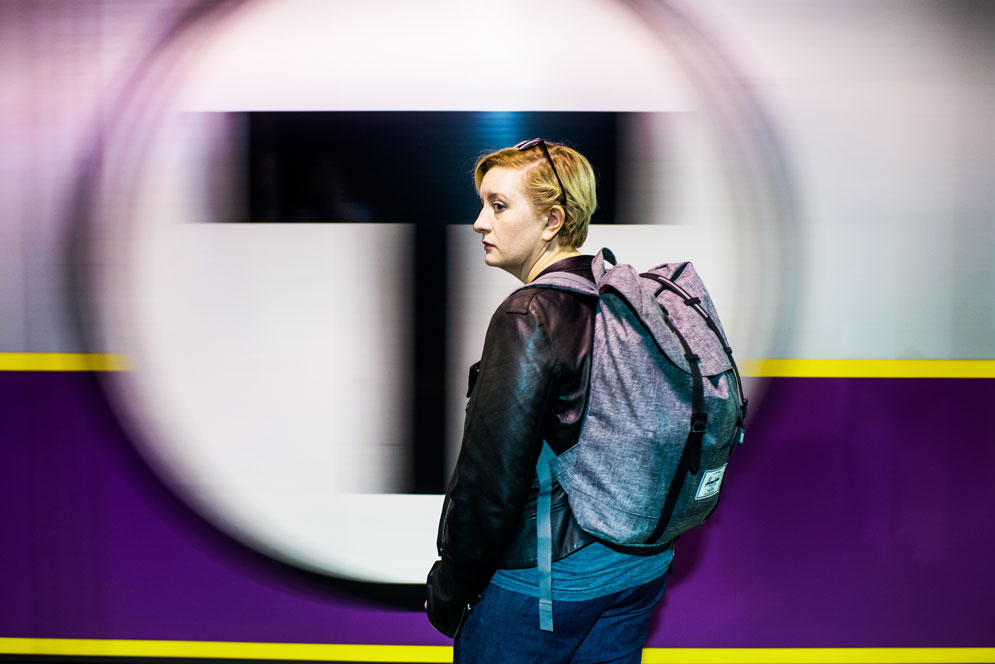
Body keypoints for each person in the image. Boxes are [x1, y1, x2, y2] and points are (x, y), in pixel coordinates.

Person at [426, 139, 673, 663]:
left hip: (546, 585)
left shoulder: (530, 313)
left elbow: (491, 479)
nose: (478, 223)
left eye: (498, 205)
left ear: (552, 220)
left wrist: (449, 592)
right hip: (637, 571)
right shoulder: (623, 299)